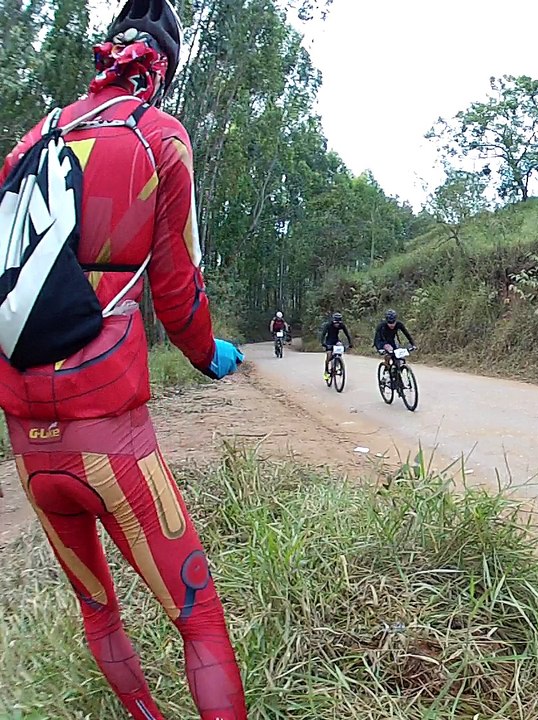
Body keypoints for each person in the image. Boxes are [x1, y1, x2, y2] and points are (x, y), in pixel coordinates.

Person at [0, 1, 248, 718]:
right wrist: (209, 356)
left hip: (27, 443)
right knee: (197, 615)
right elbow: (176, 292)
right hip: (110, 436)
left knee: (98, 613)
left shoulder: (32, 139)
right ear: (161, 67)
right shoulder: (158, 136)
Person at [320, 311, 353, 381]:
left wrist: (350, 343)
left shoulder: (342, 325)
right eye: (336, 323)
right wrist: (323, 343)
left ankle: (338, 361)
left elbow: (347, 334)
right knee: (329, 356)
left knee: (340, 347)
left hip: (336, 340)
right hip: (329, 341)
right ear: (333, 321)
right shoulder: (328, 325)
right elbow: (323, 334)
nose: (337, 325)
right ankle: (326, 372)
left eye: (338, 323)